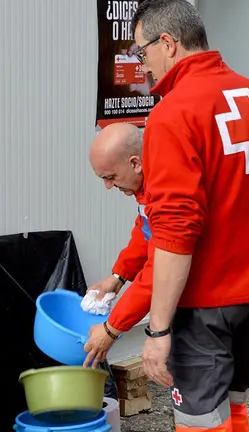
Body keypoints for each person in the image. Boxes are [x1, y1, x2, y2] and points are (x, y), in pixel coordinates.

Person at [100, 2, 249, 431]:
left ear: (167, 43)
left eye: (141, 52)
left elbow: (173, 232)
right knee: (232, 407)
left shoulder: (173, 113)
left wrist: (158, 331)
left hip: (206, 303)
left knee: (200, 420)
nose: (142, 64)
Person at [83, 122, 150, 367]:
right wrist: (117, 277)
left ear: (135, 163)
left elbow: (162, 269)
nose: (108, 187)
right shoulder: (144, 188)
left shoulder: (165, 192)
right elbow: (145, 231)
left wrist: (112, 328)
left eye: (110, 177)